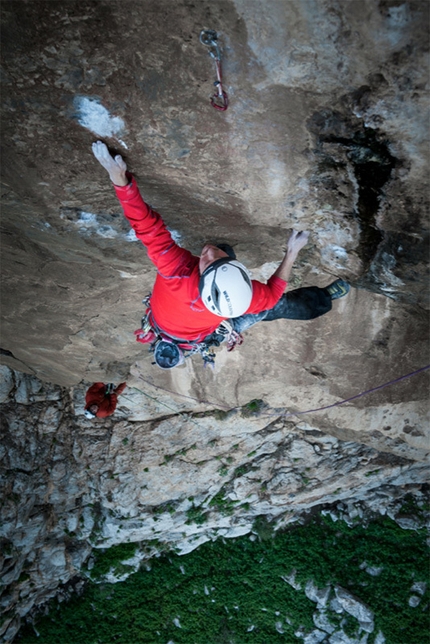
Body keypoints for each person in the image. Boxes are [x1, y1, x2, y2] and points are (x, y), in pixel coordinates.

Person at [91, 141, 349, 368]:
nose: (207, 251)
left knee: (241, 267)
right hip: (200, 332)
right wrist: (291, 252)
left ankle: (316, 296)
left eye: (214, 260)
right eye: (211, 258)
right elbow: (270, 298)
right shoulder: (188, 279)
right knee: (277, 308)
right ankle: (322, 299)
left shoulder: (175, 270)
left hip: (186, 326)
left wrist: (119, 180)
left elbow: (146, 226)